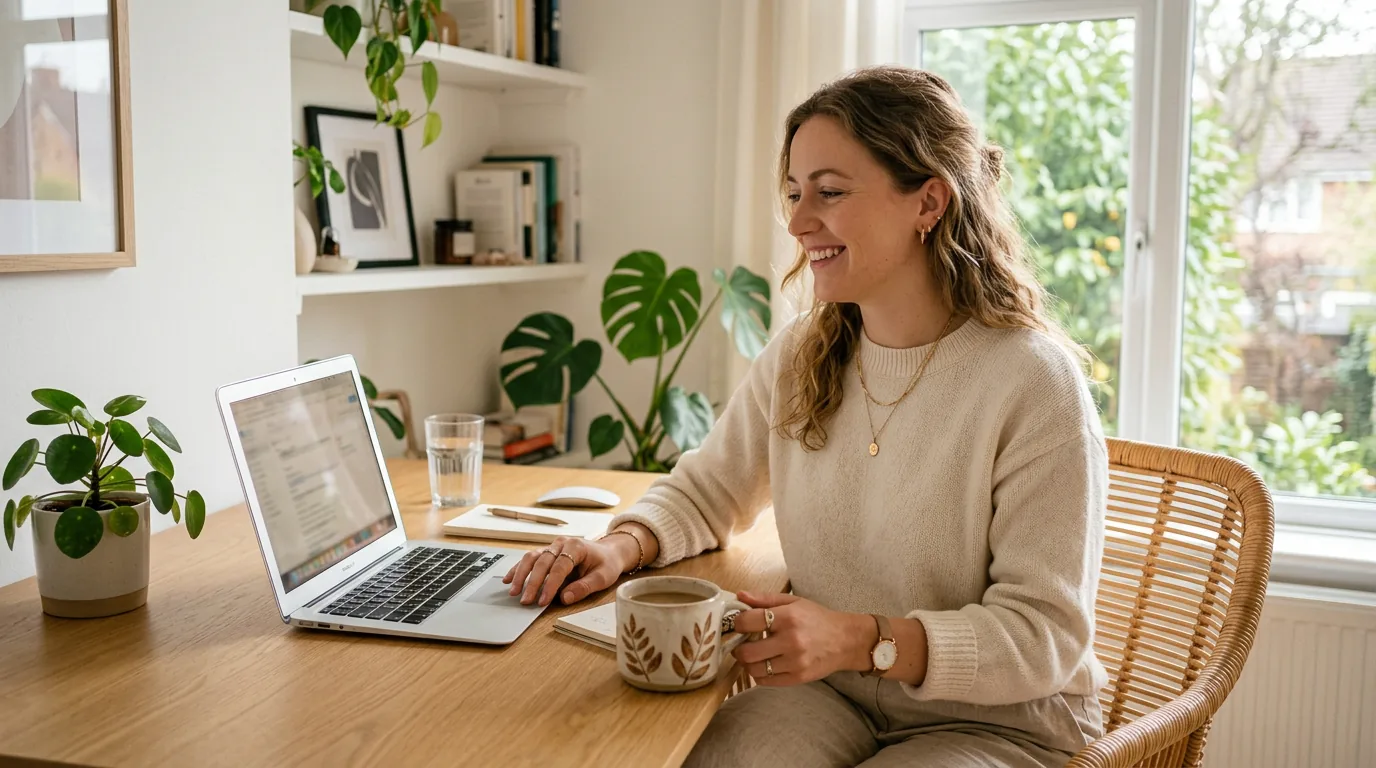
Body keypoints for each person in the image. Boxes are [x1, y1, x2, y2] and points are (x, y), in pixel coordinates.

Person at [503, 64, 1109, 768]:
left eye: (829, 192)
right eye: (794, 194)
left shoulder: (1032, 380)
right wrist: (621, 546)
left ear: (927, 202)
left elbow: (1044, 636)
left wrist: (860, 640)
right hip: (832, 695)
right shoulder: (802, 352)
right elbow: (708, 490)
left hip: (1000, 724)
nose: (797, 222)